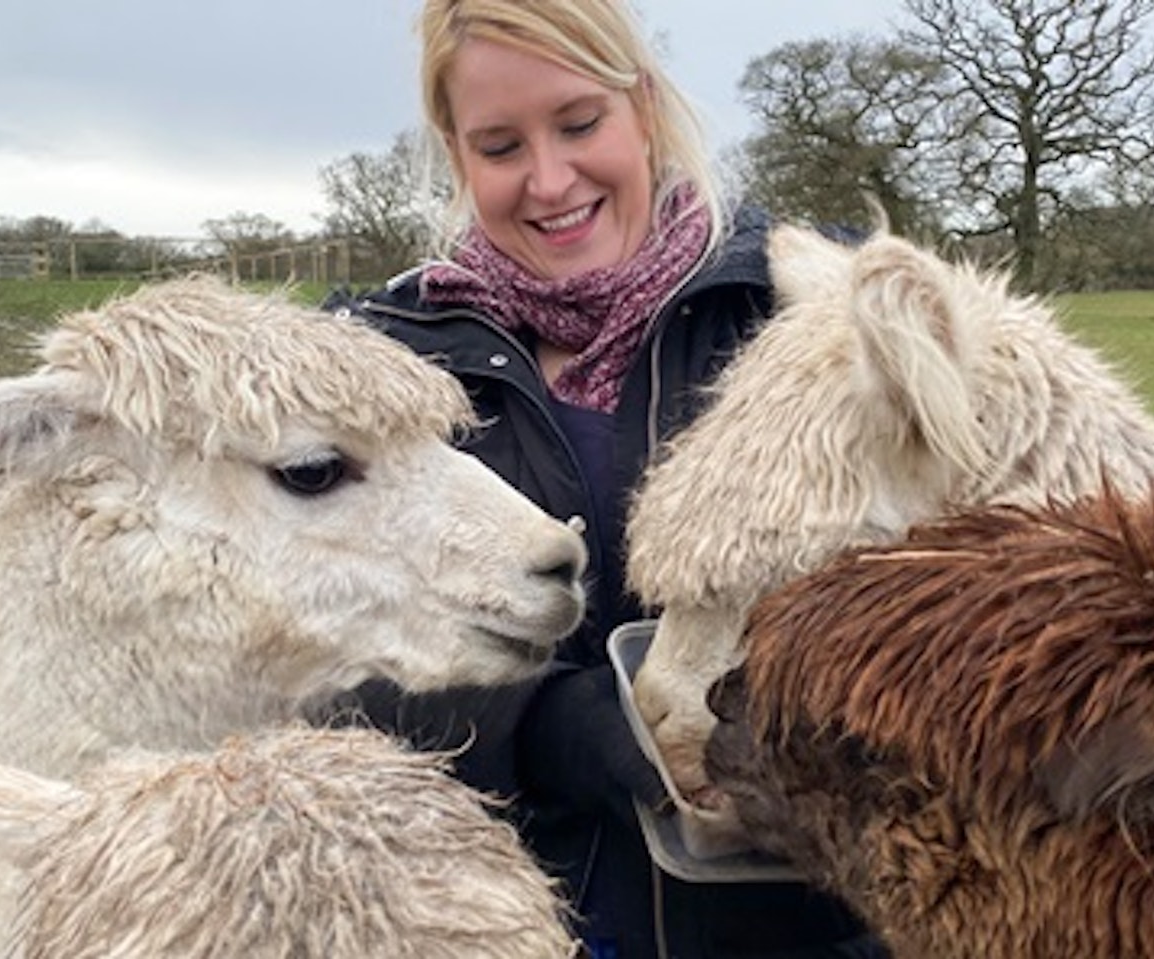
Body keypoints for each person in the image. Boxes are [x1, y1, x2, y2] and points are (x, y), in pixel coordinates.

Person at [318, 1, 884, 956]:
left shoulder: (813, 317)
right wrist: (547, 727)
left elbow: (965, 590)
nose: (549, 180)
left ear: (645, 109)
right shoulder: (379, 362)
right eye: (500, 146)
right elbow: (318, 655)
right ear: (457, 154)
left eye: (580, 124)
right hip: (485, 921)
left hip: (799, 922)